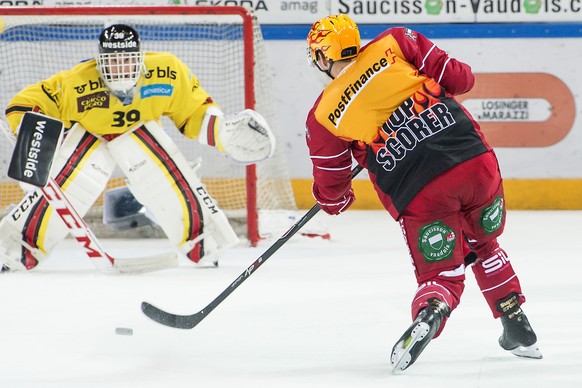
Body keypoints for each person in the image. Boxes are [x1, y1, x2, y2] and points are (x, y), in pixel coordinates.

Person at [305, 14, 542, 372]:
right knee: (485, 245)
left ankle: (431, 313)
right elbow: (462, 78)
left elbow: (332, 187)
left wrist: (335, 199)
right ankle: (516, 322)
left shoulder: (322, 115)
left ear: (323, 57)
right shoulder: (397, 41)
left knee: (441, 274)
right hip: (475, 163)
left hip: (420, 189)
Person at [0, 24, 275, 272]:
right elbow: (25, 104)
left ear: (139, 57)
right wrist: (33, 139)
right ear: (100, 61)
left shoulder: (167, 72)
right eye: (113, 60)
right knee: (77, 181)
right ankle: (15, 248)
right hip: (89, 138)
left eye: (127, 59)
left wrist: (222, 132)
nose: (120, 66)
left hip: (140, 136)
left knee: (157, 165)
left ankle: (203, 243)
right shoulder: (76, 83)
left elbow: (192, 112)